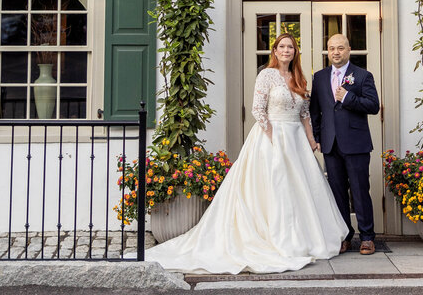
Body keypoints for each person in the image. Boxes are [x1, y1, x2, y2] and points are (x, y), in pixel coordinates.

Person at [145, 34, 347, 274]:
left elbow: (304, 114)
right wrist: (274, 138)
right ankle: (275, 239)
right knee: (275, 188)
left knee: (302, 189)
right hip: (272, 137)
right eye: (282, 46)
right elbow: (257, 110)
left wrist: (312, 140)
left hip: (297, 141)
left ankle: (307, 239)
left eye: (290, 47)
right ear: (274, 50)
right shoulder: (266, 75)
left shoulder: (298, 77)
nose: (286, 50)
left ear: (295, 51)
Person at [310, 33, 380, 255]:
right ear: (327, 51)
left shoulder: (362, 75)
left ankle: (367, 237)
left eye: (340, 48)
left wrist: (348, 98)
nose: (336, 52)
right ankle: (345, 235)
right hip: (330, 145)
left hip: (356, 143)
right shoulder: (319, 77)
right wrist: (319, 138)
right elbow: (315, 112)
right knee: (337, 192)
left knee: (359, 191)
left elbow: (373, 105)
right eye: (331, 48)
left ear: (349, 50)